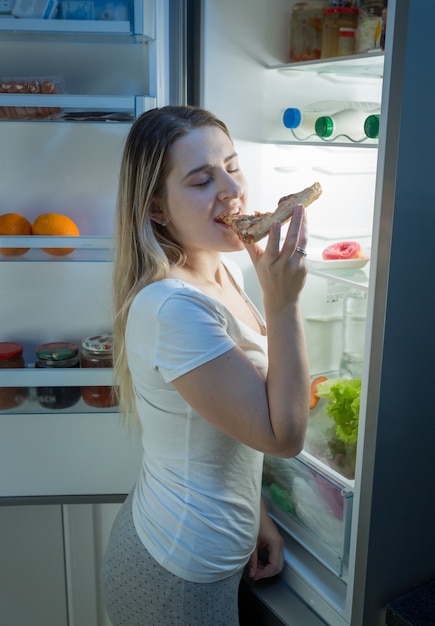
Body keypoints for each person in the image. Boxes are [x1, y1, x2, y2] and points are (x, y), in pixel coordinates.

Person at [102, 105, 310, 625]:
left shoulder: (221, 269)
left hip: (211, 545)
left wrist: (257, 517)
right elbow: (282, 436)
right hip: (174, 573)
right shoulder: (173, 307)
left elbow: (226, 422)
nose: (231, 189)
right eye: (201, 180)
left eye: (232, 165)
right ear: (156, 207)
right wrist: (284, 304)